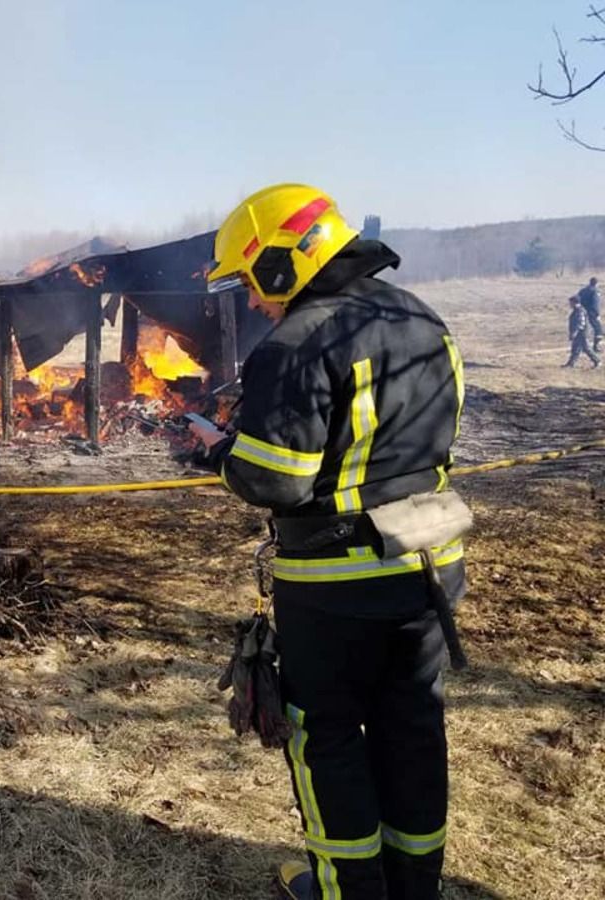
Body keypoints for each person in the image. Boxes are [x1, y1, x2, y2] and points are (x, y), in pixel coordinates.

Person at [192, 184, 468, 900]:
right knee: (412, 726)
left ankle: (346, 890)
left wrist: (219, 451)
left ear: (282, 263)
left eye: (252, 282)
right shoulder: (422, 318)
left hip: (337, 584)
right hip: (431, 564)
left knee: (328, 736)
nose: (253, 302)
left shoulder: (297, 340)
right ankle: (415, 886)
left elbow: (276, 480)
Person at [563, 294, 601, 369]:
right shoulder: (577, 310)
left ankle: (597, 361)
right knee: (575, 348)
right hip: (580, 333)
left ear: (575, 302)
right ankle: (571, 364)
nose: (570, 304)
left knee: (587, 348)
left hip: (583, 333)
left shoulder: (580, 311)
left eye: (571, 303)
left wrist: (574, 333)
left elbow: (581, 323)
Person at [576, 276, 602, 352]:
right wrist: (597, 314)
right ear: (596, 283)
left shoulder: (583, 290)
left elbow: (577, 299)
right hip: (591, 313)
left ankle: (582, 346)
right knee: (598, 330)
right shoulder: (595, 291)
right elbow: (595, 303)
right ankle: (595, 347)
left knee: (584, 329)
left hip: (582, 312)